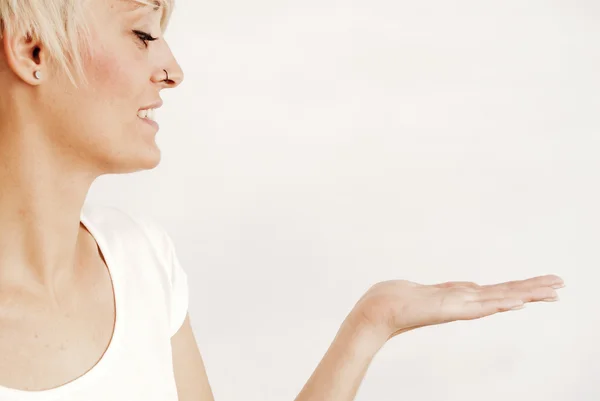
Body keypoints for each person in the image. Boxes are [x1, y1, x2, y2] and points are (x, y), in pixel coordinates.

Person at [0, 0, 565, 400]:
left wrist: (371, 324)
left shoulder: (142, 262)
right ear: (33, 51)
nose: (172, 71)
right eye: (142, 34)